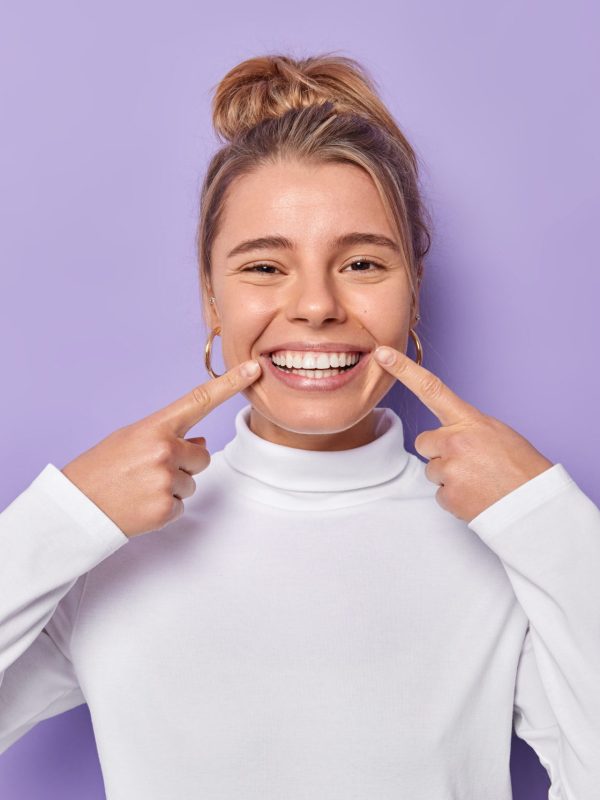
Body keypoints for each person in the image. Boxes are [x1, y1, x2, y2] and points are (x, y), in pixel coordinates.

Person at [0, 52, 598, 800]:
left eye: (362, 265)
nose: (315, 305)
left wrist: (549, 522)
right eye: (262, 268)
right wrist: (66, 518)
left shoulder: (508, 550)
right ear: (211, 299)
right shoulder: (103, 553)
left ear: (412, 293)